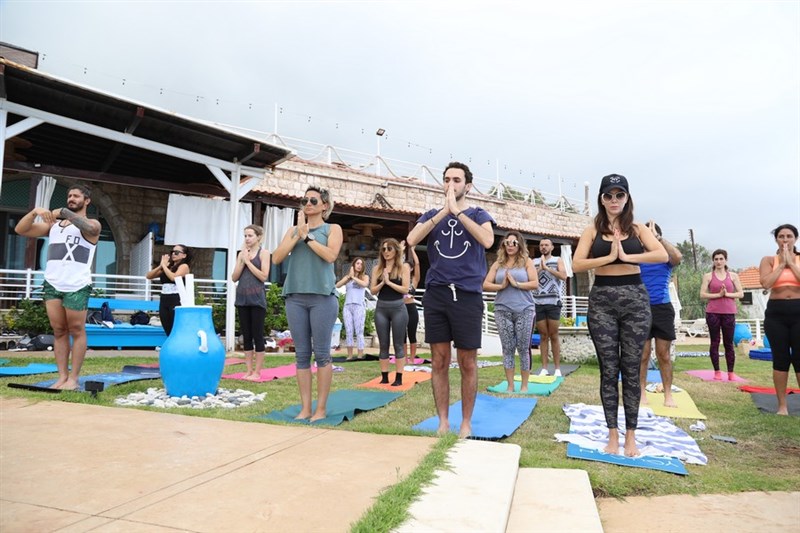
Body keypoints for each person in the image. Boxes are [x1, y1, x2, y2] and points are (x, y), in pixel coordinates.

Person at [572, 174, 667, 457]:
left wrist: (626, 256)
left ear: (627, 198)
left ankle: (631, 436)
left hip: (635, 300)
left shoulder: (638, 229)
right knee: (609, 369)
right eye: (608, 195)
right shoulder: (592, 229)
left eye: (619, 195)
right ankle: (612, 434)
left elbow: (661, 255)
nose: (614, 200)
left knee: (632, 368)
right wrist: (608, 257)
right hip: (602, 300)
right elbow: (577, 264)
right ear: (602, 199)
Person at [407, 162, 496, 438]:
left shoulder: (479, 213)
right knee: (439, 360)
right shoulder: (432, 215)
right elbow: (411, 239)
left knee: (467, 361)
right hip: (437, 293)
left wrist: (458, 213)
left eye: (457, 180)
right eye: (446, 179)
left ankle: (466, 423)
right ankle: (443, 421)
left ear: (467, 185)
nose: (451, 184)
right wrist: (444, 213)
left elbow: (487, 240)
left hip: (467, 294)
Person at [14, 184, 101, 390]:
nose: (71, 198)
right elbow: (21, 229)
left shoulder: (91, 223)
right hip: (53, 283)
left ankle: (74, 378)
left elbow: (91, 229)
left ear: (86, 201)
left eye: (76, 196)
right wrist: (35, 211)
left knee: (77, 329)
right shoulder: (54, 226)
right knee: (59, 330)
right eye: (69, 195)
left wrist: (62, 212)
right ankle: (62, 376)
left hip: (77, 285)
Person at [273, 185, 343, 422]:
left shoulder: (332, 228)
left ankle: (321, 409)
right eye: (305, 200)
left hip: (322, 297)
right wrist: (297, 234)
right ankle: (305, 408)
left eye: (313, 200)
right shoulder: (293, 230)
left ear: (324, 205)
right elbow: (276, 258)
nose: (308, 203)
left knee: (322, 354)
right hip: (295, 297)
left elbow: (330, 256)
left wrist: (307, 237)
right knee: (301, 355)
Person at [483, 231, 538, 392]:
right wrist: (500, 286)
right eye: (507, 242)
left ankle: (525, 385)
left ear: (519, 245)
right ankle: (510, 385)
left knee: (523, 348)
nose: (510, 246)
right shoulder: (498, 264)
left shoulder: (526, 262)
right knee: (507, 348)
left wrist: (517, 284)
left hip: (525, 309)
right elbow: (486, 284)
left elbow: (535, 284)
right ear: (503, 245)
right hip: (502, 309)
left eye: (514, 243)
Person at [638, 221, 683, 407]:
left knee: (663, 355)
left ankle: (668, 395)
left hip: (662, 308)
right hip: (640, 309)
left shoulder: (666, 258)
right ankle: (641, 395)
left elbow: (678, 257)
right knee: (643, 355)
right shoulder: (637, 257)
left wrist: (657, 237)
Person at [758, 223, 800, 415]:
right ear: (776, 239)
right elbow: (766, 283)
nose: (785, 240)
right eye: (781, 236)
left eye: (789, 236)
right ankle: (782, 406)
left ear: (795, 239)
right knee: (781, 358)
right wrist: (781, 264)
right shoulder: (768, 260)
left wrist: (791, 263)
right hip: (776, 313)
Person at [232, 224, 271, 381]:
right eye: (245, 236)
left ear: (258, 237)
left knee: (257, 335)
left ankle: (257, 371)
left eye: (250, 236)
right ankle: (248, 370)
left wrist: (248, 262)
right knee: (246, 336)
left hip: (257, 300)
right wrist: (243, 260)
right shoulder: (241, 254)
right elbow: (234, 277)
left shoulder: (264, 253)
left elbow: (263, 276)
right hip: (242, 299)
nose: (247, 239)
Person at [370, 238, 410, 385]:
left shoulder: (403, 267)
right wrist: (382, 282)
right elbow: (372, 291)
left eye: (389, 249)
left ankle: (399, 377)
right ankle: (384, 376)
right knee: (383, 344)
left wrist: (389, 283)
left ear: (396, 251)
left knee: (398, 344)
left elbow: (405, 289)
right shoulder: (377, 269)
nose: (386, 252)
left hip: (398, 307)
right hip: (381, 308)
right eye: (384, 249)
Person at [700, 249, 744, 380]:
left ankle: (731, 372)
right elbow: (702, 294)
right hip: (713, 313)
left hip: (729, 313)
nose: (718, 261)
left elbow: (741, 293)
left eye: (721, 259)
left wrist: (727, 294)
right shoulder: (708, 276)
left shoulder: (733, 276)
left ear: (725, 260)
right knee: (715, 342)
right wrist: (718, 295)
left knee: (728, 343)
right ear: (713, 261)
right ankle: (717, 372)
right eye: (716, 259)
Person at [533, 238, 568, 377]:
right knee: (543, 335)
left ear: (552, 247)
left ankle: (558, 368)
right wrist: (540, 268)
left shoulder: (557, 260)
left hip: (553, 301)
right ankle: (544, 368)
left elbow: (564, 276)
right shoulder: (533, 262)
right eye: (541, 245)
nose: (544, 247)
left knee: (554, 335)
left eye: (546, 245)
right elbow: (529, 278)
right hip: (538, 302)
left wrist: (547, 268)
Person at [146, 244, 193, 336]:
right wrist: (161, 266)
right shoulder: (168, 266)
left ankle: (177, 347)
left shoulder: (184, 266)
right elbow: (149, 276)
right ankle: (170, 345)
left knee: (175, 325)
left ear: (184, 255)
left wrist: (164, 267)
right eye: (172, 252)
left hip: (176, 299)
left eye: (176, 252)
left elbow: (174, 277)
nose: (173, 254)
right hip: (164, 298)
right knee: (166, 324)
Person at [336, 257, 369, 360]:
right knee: (349, 331)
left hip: (359, 305)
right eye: (357, 263)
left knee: (359, 331)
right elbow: (337, 285)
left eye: (361, 264)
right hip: (348, 306)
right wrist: (348, 277)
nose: (359, 265)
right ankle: (349, 355)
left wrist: (354, 277)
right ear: (353, 265)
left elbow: (365, 284)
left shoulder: (365, 277)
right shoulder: (348, 278)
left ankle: (360, 355)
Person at [404, 244, 422, 365]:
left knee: (412, 334)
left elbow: (417, 265)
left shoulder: (414, 281)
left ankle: (412, 358)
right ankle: (404, 358)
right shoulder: (400, 279)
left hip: (411, 308)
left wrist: (412, 251)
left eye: (407, 267)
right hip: (400, 308)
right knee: (402, 335)